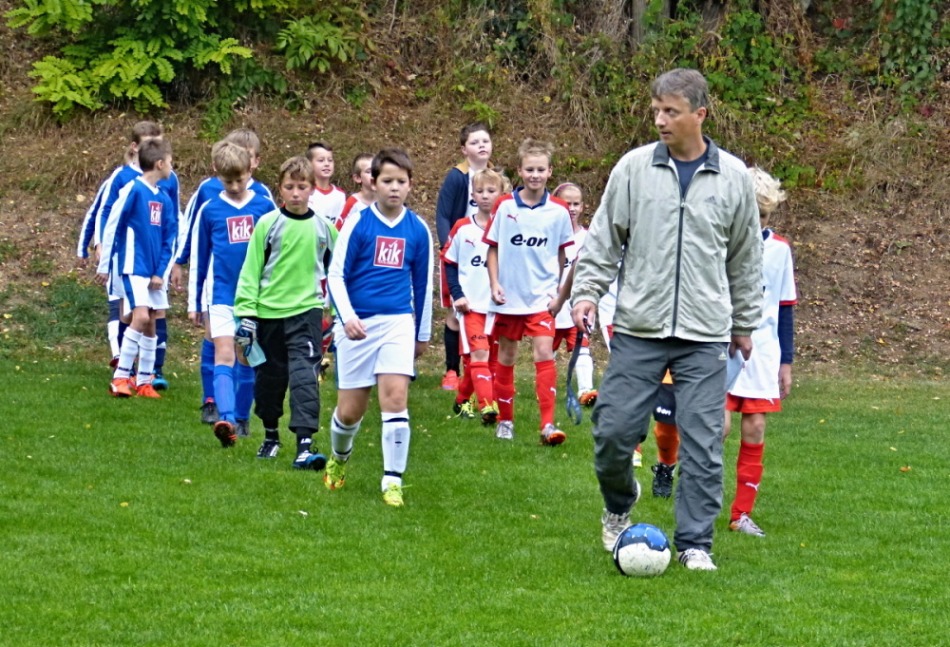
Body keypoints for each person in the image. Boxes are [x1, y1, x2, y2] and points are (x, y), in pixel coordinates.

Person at [570, 68, 763, 571]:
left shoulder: (735, 178)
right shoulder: (633, 169)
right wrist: (586, 294)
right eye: (656, 110)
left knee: (703, 442)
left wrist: (745, 323)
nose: (660, 119)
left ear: (700, 114)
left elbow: (745, 258)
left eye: (671, 111)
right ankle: (619, 504)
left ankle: (696, 543)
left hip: (704, 334)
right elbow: (602, 240)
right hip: (639, 328)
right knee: (613, 431)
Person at [324, 148, 433, 507]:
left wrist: (422, 333)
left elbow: (423, 286)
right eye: (387, 180)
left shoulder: (418, 229)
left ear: (410, 185)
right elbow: (335, 275)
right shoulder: (357, 222)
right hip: (357, 326)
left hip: (397, 322)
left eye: (401, 181)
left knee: (395, 399)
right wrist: (347, 317)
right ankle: (339, 459)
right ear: (373, 182)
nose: (394, 188)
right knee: (351, 411)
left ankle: (392, 481)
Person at [233, 156, 338, 470]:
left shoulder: (325, 229)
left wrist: (334, 312)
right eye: (289, 187)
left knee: (305, 375)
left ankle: (305, 444)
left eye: (301, 187)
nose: (296, 193)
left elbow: (339, 274)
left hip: (306, 313)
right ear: (280, 190)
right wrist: (246, 315)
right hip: (267, 314)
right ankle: (270, 435)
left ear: (312, 190)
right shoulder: (268, 225)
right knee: (269, 379)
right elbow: (250, 271)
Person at [173, 128, 274, 425]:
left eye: (239, 180)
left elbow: (275, 254)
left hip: (255, 297)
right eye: (227, 181)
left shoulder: (264, 204)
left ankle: (241, 418)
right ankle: (224, 418)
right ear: (217, 174)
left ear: (250, 168)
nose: (233, 185)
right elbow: (200, 257)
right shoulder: (209, 207)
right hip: (220, 294)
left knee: (247, 356)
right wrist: (194, 303)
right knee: (224, 352)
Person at [485, 138, 574, 445]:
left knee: (544, 352)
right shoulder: (505, 206)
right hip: (510, 299)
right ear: (520, 171)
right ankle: (505, 421)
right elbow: (493, 249)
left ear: (550, 172)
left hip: (541, 299)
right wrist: (494, 283)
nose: (535, 175)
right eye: (529, 169)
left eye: (541, 169)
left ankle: (548, 425)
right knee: (507, 356)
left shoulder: (559, 211)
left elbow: (567, 255)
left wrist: (559, 294)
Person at [723, 166, 797, 537]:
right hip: (719, 345)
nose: (756, 222)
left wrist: (786, 361)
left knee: (754, 427)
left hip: (762, 351)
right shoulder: (719, 243)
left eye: (763, 215)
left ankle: (740, 515)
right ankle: (694, 497)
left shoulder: (780, 250)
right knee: (714, 427)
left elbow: (784, 308)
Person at [77, 121, 164, 375]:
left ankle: (151, 369)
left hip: (151, 258)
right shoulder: (122, 176)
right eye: (149, 145)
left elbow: (171, 218)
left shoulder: (165, 179)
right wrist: (97, 244)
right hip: (122, 255)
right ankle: (120, 360)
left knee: (151, 310)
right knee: (122, 306)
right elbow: (102, 211)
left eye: (158, 145)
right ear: (135, 147)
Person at [96, 138, 177, 398]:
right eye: (171, 162)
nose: (172, 167)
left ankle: (144, 382)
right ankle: (120, 377)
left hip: (153, 271)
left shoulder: (163, 197)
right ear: (160, 163)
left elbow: (169, 238)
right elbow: (113, 224)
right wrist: (106, 263)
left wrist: (161, 272)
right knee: (140, 317)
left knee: (152, 322)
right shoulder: (133, 189)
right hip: (133, 265)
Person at [441, 168, 510, 425]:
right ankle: (487, 407)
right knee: (479, 354)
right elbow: (449, 263)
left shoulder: (507, 229)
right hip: (470, 306)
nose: (485, 196)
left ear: (502, 194)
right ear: (472, 195)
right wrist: (456, 295)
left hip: (499, 307)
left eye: (491, 191)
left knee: (488, 359)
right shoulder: (462, 228)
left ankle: (461, 401)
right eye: (479, 191)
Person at [435, 123, 494, 391]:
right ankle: (450, 370)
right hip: (461, 248)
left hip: (489, 250)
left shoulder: (496, 177)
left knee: (486, 309)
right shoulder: (457, 177)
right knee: (455, 309)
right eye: (475, 142)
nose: (481, 145)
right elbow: (443, 213)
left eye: (485, 140)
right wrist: (448, 244)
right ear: (464, 149)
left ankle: (482, 366)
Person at [549, 182, 598, 406]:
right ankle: (546, 390)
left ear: (583, 206)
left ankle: (586, 391)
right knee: (546, 351)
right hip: (550, 303)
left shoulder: (589, 238)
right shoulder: (548, 236)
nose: (571, 208)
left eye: (576, 203)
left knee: (582, 346)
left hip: (576, 305)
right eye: (566, 203)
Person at [306, 141, 346, 227]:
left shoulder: (340, 195)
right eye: (321, 160)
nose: (327, 164)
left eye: (330, 160)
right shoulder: (304, 191)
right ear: (309, 164)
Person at [338, 152, 376, 229]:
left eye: (377, 171)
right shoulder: (353, 202)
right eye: (369, 172)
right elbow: (339, 229)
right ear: (358, 178)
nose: (374, 175)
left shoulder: (385, 201)